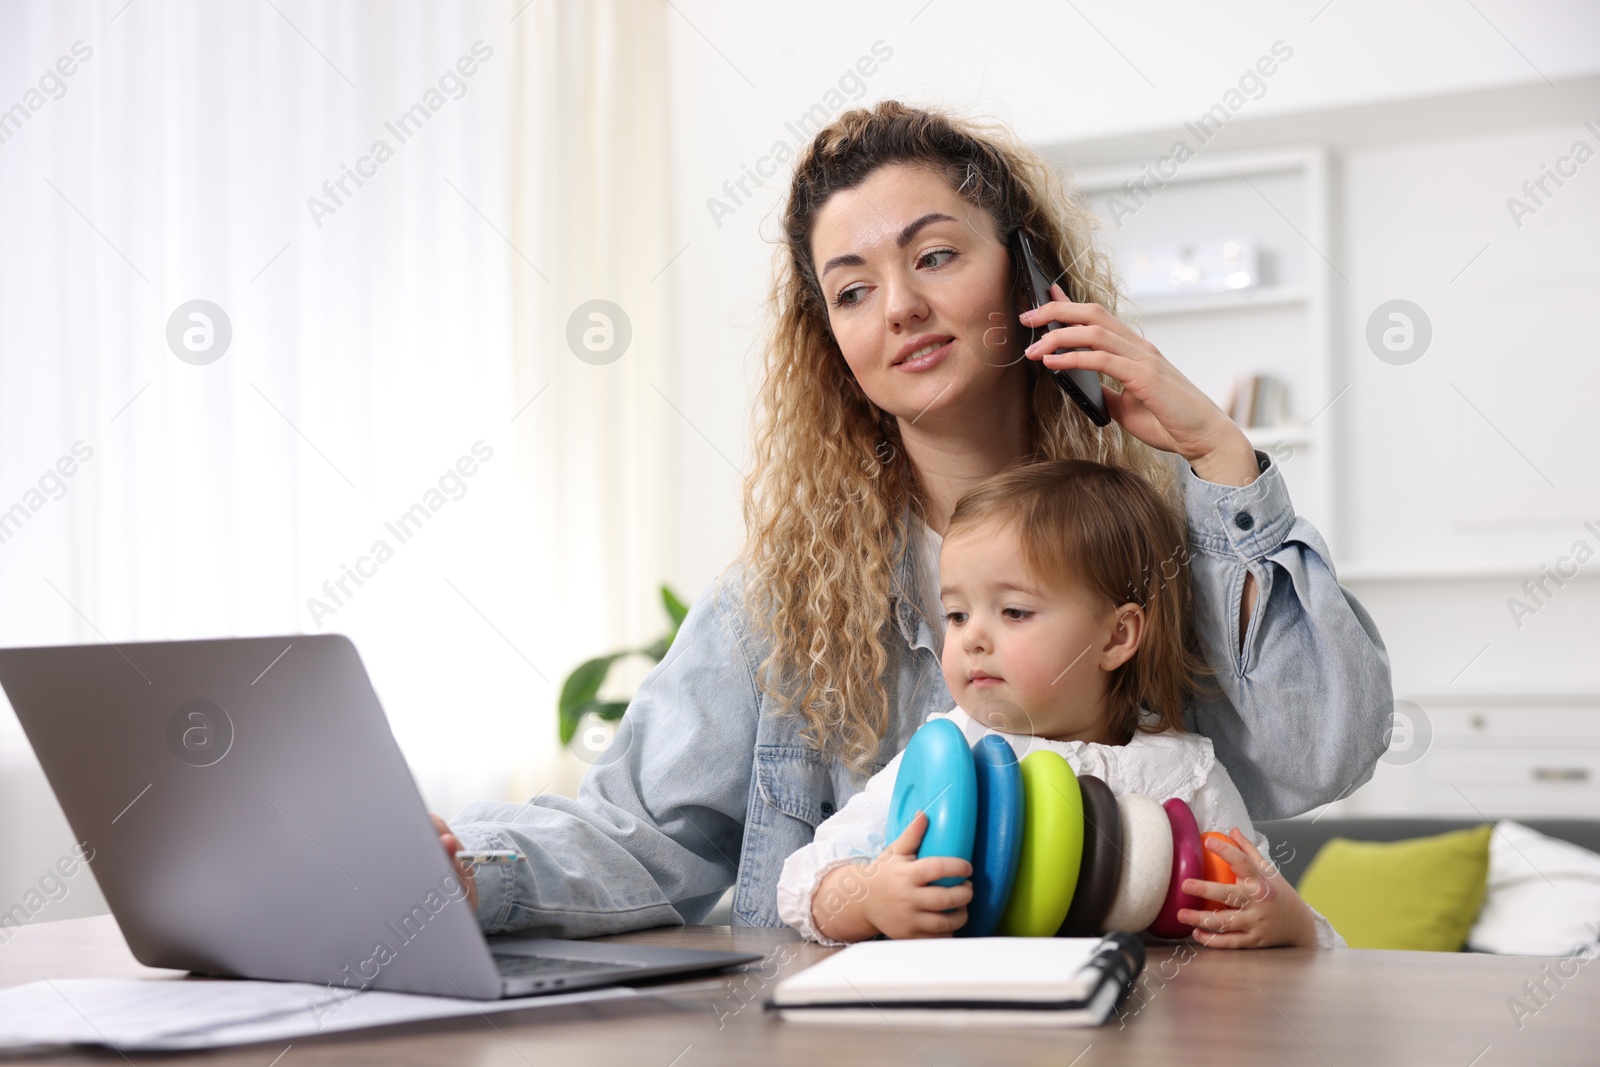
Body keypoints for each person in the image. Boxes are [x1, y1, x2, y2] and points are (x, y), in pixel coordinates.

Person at [435, 100, 1392, 937]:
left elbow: (1321, 752)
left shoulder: (1153, 540)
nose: (899, 307)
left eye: (935, 255)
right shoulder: (785, 599)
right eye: (852, 289)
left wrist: (1222, 457)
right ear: (833, 341)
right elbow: (639, 835)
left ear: (1028, 278)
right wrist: (464, 870)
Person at [777, 458, 1341, 948]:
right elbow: (804, 882)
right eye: (956, 614)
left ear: (1117, 637)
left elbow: (1263, 901)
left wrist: (1289, 923)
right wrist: (871, 899)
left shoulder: (1185, 777)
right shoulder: (949, 759)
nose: (971, 637)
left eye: (1014, 611)